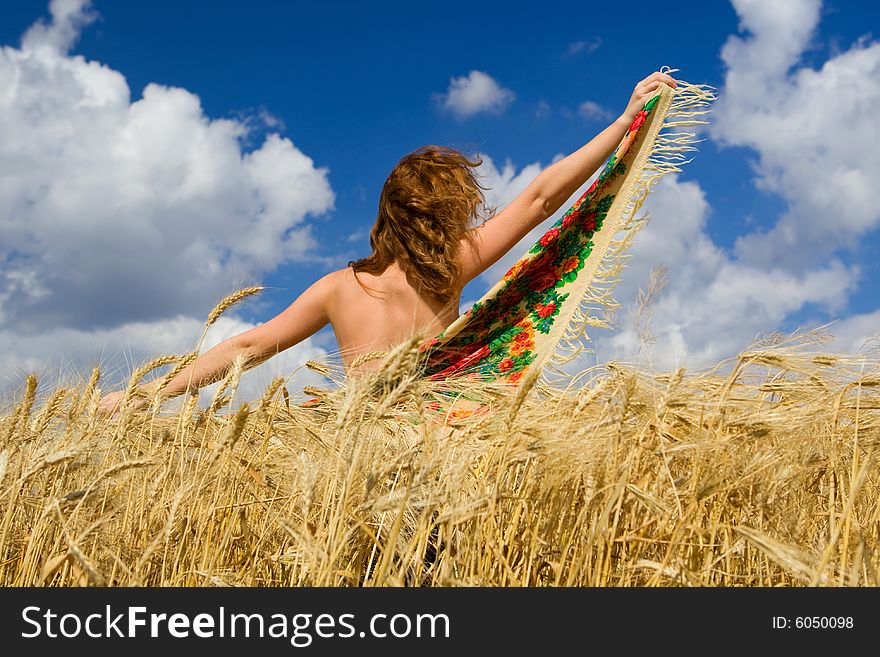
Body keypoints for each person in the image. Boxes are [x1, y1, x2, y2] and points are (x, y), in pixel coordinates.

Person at [97, 71, 677, 415]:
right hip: (436, 447)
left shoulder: (337, 290)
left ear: (388, 216)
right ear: (450, 212)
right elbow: (540, 200)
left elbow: (248, 345)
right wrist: (625, 121)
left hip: (359, 457)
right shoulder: (451, 266)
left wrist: (149, 394)